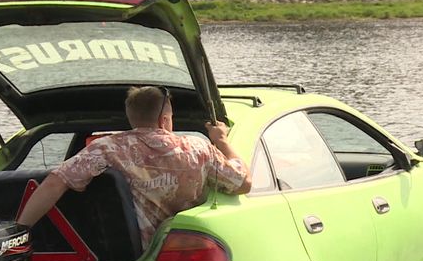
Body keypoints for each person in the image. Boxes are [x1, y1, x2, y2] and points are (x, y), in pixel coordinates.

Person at [17, 85, 252, 246]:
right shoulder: (198, 148)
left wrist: (18, 232)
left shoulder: (107, 148)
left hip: (123, 251)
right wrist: (221, 141)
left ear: (131, 117)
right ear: (165, 119)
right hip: (179, 253)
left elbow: (55, 183)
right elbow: (243, 182)